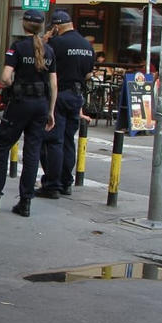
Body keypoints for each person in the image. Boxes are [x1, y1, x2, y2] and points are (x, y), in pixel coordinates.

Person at [0, 9, 57, 217]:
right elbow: (54, 84)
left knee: (2, 148)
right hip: (40, 105)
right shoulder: (48, 50)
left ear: (24, 25)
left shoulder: (17, 47)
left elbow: (5, 77)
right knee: (32, 152)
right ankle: (25, 202)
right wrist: (51, 111)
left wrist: (11, 84)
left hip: (20, 103)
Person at [36, 10, 94, 199]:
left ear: (56, 27)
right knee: (68, 140)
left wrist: (45, 40)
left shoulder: (56, 43)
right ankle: (66, 182)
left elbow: (43, 64)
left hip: (58, 95)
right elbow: (88, 75)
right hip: (76, 96)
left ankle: (52, 184)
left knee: (53, 140)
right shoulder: (87, 45)